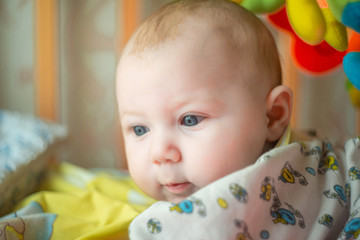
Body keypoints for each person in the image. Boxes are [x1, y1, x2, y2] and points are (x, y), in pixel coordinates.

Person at [116, 0, 360, 239]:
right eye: (139, 129)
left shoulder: (224, 207)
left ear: (274, 116)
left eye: (189, 120)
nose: (159, 153)